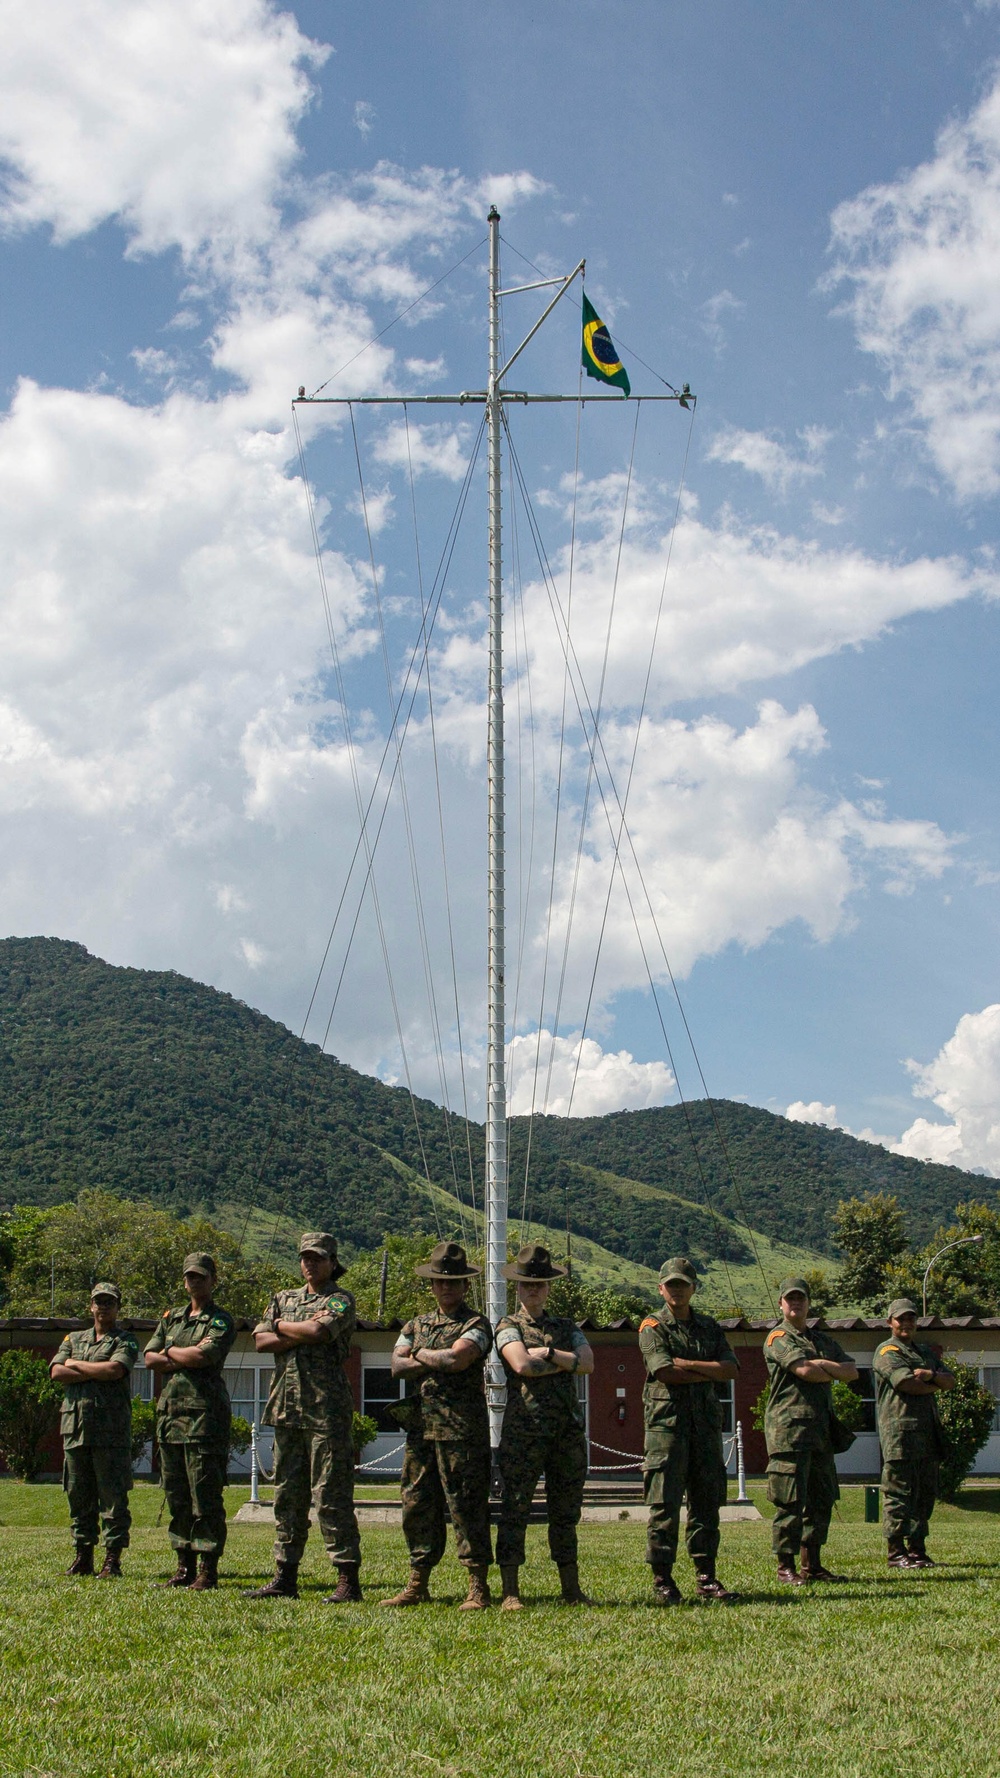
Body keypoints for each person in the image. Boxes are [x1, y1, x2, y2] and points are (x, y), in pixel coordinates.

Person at [246, 1231, 362, 1603]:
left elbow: (319, 1330)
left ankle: (346, 1578)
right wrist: (292, 1331)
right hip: (286, 1407)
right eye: (305, 1257)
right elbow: (260, 1341)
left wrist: (280, 1327)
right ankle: (285, 1576)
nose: (310, 1264)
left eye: (317, 1258)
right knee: (287, 1496)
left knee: (330, 1494)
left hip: (326, 1409)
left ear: (332, 1262)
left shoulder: (341, 1300)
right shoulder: (283, 1298)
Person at [382, 1241, 494, 1609]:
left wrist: (419, 1354)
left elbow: (458, 1359)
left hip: (462, 1430)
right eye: (440, 1281)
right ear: (431, 1286)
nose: (447, 1287)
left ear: (465, 1286)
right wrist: (433, 1358)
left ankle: (478, 1585)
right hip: (421, 1429)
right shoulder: (417, 1323)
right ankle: (418, 1581)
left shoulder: (476, 1323)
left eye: (455, 1281)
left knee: (466, 1505)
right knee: (416, 1504)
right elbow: (396, 1367)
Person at [494, 1243, 595, 1609]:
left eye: (539, 1284)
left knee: (565, 1511)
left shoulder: (566, 1327)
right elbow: (520, 1365)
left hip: (565, 1432)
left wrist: (550, 1354)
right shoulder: (507, 1325)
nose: (532, 1290)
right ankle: (510, 1591)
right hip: (524, 1432)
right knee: (515, 1507)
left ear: (549, 1287)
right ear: (517, 1289)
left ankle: (571, 1588)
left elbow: (587, 1364)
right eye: (525, 1284)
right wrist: (565, 1362)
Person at [638, 1256, 740, 1604]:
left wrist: (691, 1364)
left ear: (694, 1287)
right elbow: (664, 1371)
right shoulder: (652, 1325)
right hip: (667, 1429)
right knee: (664, 1505)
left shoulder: (710, 1327)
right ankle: (663, 1579)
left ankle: (706, 1577)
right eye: (671, 1284)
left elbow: (731, 1370)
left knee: (706, 1504)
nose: (677, 1290)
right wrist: (707, 1371)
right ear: (661, 1288)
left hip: (705, 1428)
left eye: (683, 1284)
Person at [144, 1252, 235, 1591]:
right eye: (189, 1276)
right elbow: (149, 1357)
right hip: (170, 1418)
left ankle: (208, 1570)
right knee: (177, 1493)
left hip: (204, 1418)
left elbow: (204, 1355)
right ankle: (184, 1566)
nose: (194, 1282)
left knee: (205, 1495)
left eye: (201, 1276)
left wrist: (170, 1353)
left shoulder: (220, 1320)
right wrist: (175, 1355)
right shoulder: (171, 1317)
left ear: (213, 1280)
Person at [764, 1276, 859, 1585]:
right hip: (789, 1432)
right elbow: (804, 1371)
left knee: (821, 1499)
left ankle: (812, 1564)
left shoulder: (822, 1340)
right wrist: (826, 1367)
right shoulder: (778, 1336)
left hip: (820, 1432)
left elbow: (852, 1372)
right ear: (780, 1303)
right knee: (789, 1501)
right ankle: (785, 1567)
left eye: (800, 1298)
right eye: (790, 1298)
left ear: (808, 1303)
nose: (796, 1303)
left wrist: (821, 1364)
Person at [50, 1281, 139, 1579]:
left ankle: (112, 1561)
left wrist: (76, 1365)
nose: (103, 1307)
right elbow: (56, 1372)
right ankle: (82, 1557)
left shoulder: (125, 1340)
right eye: (98, 1301)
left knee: (113, 1498)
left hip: (109, 1432)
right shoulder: (73, 1338)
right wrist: (89, 1368)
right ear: (90, 1306)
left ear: (117, 1307)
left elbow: (114, 1371)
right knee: (79, 1496)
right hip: (75, 1429)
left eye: (109, 1302)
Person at [874, 1297, 955, 1569]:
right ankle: (896, 1552)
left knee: (924, 1494)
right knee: (899, 1493)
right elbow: (906, 1383)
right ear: (890, 1323)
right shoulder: (887, 1352)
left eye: (910, 1318)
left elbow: (950, 1381)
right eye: (900, 1319)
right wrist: (934, 1382)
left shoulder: (924, 1353)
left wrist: (930, 1376)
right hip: (900, 1435)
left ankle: (917, 1549)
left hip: (927, 1433)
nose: (906, 1323)